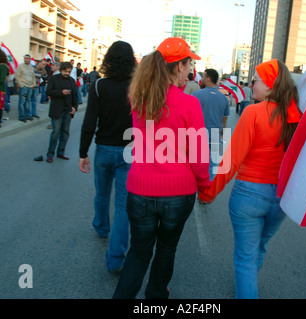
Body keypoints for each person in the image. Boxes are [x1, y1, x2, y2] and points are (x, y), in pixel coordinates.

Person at [112, 37, 210, 299]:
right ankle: (156, 296)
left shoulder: (139, 98)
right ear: (179, 66)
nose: (190, 70)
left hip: (140, 189)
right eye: (189, 64)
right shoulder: (190, 104)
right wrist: (205, 186)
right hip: (178, 194)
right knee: (167, 249)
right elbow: (199, 155)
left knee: (139, 251)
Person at [198, 59, 302, 299]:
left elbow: (232, 161)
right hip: (281, 199)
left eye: (256, 79)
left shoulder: (254, 111)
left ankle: (247, 288)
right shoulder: (295, 115)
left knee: (245, 258)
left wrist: (208, 192)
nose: (251, 84)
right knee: (260, 247)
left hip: (249, 196)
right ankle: (247, 285)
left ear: (270, 85)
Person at [79, 41, 137, 273]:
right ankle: (116, 259)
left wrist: (83, 152)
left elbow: (89, 122)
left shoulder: (99, 85)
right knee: (123, 205)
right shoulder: (137, 87)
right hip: (129, 151)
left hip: (103, 149)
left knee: (102, 194)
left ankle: (102, 227)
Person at [192, 68, 230, 181]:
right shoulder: (224, 98)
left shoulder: (196, 95)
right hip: (215, 136)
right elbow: (224, 120)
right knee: (212, 166)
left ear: (208, 79)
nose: (202, 79)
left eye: (203, 77)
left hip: (198, 135)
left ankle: (195, 191)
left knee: (196, 165)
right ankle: (207, 194)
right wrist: (221, 134)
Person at [44, 62, 78, 163]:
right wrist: (61, 92)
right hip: (57, 110)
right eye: (65, 71)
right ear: (61, 70)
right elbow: (48, 91)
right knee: (55, 133)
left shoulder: (72, 81)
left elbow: (75, 96)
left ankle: (61, 152)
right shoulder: (53, 79)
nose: (67, 73)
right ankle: (50, 154)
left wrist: (74, 108)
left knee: (65, 133)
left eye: (69, 71)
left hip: (68, 111)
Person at [15, 54, 36, 122]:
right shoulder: (20, 66)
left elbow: (33, 77)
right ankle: (21, 116)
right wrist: (21, 85)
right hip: (23, 87)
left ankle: (27, 115)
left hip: (30, 87)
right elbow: (17, 76)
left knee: (28, 102)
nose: (25, 59)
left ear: (30, 59)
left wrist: (34, 84)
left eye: (27, 58)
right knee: (22, 102)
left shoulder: (31, 68)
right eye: (25, 58)